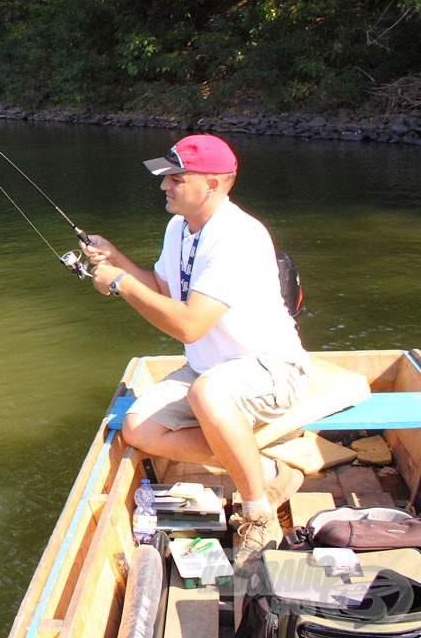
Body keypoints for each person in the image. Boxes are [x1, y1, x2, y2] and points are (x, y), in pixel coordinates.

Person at [79, 133, 310, 568]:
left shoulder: (237, 237)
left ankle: (258, 514)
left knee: (209, 393)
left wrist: (120, 284)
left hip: (271, 368)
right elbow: (167, 290)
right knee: (137, 429)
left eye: (175, 178)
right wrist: (118, 260)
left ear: (215, 184)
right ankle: (267, 472)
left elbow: (187, 323)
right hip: (210, 368)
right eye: (165, 178)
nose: (164, 186)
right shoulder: (179, 227)